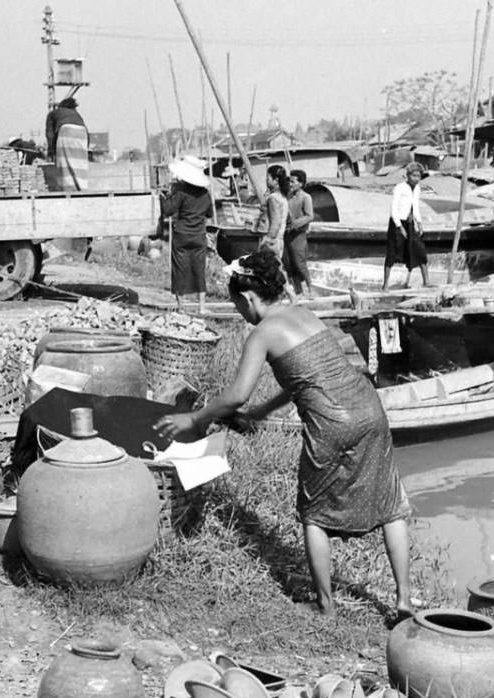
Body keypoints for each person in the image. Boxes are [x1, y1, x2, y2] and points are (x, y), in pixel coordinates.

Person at [153, 249, 413, 619]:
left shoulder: (263, 333)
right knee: (391, 506)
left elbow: (237, 394)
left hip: (331, 423)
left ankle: (325, 606)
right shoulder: (305, 314)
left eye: (237, 307)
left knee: (314, 513)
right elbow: (303, 377)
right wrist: (261, 412)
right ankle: (403, 601)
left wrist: (197, 419)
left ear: (248, 298)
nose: (241, 315)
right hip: (370, 409)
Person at [161, 155, 213, 311]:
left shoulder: (181, 193)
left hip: (182, 235)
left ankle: (181, 306)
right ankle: (202, 307)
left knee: (179, 268)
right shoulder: (205, 194)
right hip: (198, 236)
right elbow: (209, 213)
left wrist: (164, 197)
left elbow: (168, 211)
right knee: (199, 269)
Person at [383, 161, 430, 289]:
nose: (416, 179)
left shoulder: (417, 189)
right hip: (397, 223)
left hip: (410, 223)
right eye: (414, 176)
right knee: (392, 253)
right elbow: (393, 210)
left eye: (418, 176)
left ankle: (426, 282)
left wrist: (419, 222)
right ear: (408, 176)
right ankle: (385, 285)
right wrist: (400, 227)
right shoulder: (399, 188)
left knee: (420, 250)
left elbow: (415, 206)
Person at [45, 97, 89, 190]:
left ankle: (68, 189)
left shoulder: (53, 113)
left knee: (64, 163)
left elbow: (50, 134)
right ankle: (82, 188)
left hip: (66, 131)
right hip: (82, 134)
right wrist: (86, 148)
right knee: (79, 163)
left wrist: (51, 151)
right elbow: (86, 131)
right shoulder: (77, 114)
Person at [283, 169, 314, 298]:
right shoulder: (288, 196)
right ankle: (298, 291)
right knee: (289, 264)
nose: (290, 184)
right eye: (289, 181)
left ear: (301, 184)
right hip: (287, 234)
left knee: (299, 263)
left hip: (298, 235)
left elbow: (309, 216)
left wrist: (295, 224)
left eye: (293, 181)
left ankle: (310, 289)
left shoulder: (306, 197)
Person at [256, 164, 288, 259]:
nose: (266, 181)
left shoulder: (273, 198)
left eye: (268, 178)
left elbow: (275, 222)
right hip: (278, 239)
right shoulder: (282, 197)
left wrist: (267, 240)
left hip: (272, 241)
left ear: (276, 180)